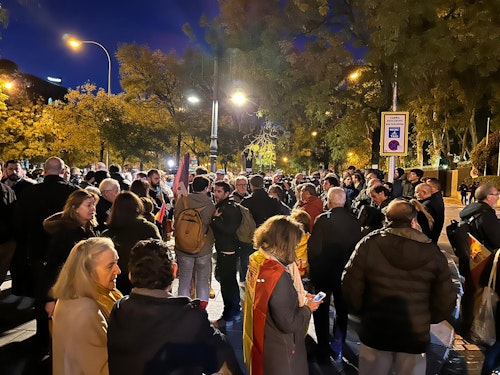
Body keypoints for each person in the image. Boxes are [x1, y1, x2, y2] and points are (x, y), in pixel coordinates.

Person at [342, 199, 455, 375]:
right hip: (413, 332)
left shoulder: (369, 243)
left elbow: (350, 285)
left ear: (386, 219)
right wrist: (426, 318)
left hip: (376, 328)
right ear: (413, 221)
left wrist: (362, 311)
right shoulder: (432, 252)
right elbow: (446, 298)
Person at [107, 239, 242, 375]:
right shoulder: (189, 317)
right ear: (174, 270)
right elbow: (226, 362)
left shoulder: (119, 309)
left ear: (130, 275)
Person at [12, 156, 79, 351]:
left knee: (42, 293)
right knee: (66, 293)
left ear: (44, 171)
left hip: (37, 250)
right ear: (63, 170)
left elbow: (19, 223)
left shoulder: (29, 192)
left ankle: (42, 334)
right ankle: (64, 334)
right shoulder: (72, 193)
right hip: (66, 252)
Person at [243, 215, 321, 375]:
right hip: (281, 350)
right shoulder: (278, 277)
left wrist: (303, 295)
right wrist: (308, 308)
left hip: (262, 339)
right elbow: (288, 323)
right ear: (284, 245)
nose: (295, 252)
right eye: (294, 246)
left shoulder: (258, 260)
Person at [50, 237, 122, 375]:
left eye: (116, 262)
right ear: (87, 273)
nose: (118, 270)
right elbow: (101, 369)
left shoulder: (69, 297)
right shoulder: (87, 311)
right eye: (110, 266)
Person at [308, 187, 363, 364]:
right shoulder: (354, 221)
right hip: (345, 274)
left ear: (329, 201)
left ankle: (323, 346)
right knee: (342, 309)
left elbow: (314, 250)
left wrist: (313, 273)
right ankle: (338, 341)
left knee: (321, 310)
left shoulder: (322, 220)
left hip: (323, 274)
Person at [43, 189, 99, 318]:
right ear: (75, 208)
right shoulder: (65, 233)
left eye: (93, 204)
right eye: (88, 205)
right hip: (67, 291)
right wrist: (50, 299)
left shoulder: (89, 229)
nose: (93, 208)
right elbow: (52, 266)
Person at [458, 183, 500, 337]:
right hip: (482, 262)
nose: (497, 197)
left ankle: (465, 326)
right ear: (488, 197)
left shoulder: (470, 211)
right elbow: (497, 240)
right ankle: (473, 329)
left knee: (470, 292)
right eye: (496, 194)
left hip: (470, 258)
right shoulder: (485, 214)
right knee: (477, 295)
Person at [101, 191, 161, 294]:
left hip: (116, 283)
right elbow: (160, 252)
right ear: (137, 207)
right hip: (145, 281)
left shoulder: (107, 234)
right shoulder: (148, 229)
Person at [174, 175, 215, 302]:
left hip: (183, 246)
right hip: (203, 247)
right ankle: (201, 311)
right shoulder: (209, 204)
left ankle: (183, 309)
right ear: (206, 188)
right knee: (202, 282)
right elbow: (210, 223)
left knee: (184, 281)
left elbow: (176, 219)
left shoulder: (182, 200)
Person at [210, 181, 242, 328]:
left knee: (227, 283)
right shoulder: (225, 206)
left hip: (228, 250)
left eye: (219, 192)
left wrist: (215, 219)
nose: (216, 194)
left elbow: (229, 230)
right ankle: (233, 309)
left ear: (227, 193)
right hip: (226, 249)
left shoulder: (229, 208)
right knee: (228, 282)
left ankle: (229, 313)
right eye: (215, 191)